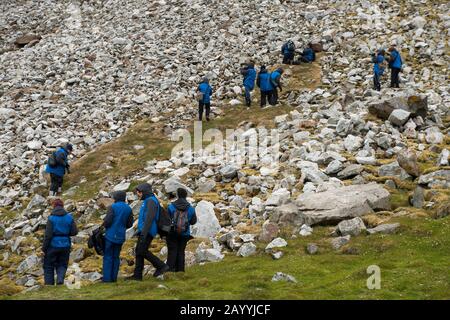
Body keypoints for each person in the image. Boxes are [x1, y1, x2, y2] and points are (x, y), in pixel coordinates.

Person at [127, 183, 169, 280]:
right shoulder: (148, 200)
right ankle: (137, 275)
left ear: (145, 192)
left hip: (148, 231)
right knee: (139, 251)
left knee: (142, 251)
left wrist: (144, 233)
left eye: (140, 192)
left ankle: (161, 266)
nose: (138, 194)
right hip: (145, 230)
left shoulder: (151, 201)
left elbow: (150, 218)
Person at [42, 199, 78, 285]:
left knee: (48, 266)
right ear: (62, 206)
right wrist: (65, 233)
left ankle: (49, 284)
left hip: (53, 245)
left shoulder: (51, 218)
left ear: (54, 206)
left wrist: (44, 248)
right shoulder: (69, 217)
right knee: (62, 264)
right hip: (65, 244)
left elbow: (48, 235)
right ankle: (60, 280)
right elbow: (74, 232)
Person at [102, 191, 133, 283]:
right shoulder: (128, 208)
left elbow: (107, 221)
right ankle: (113, 278)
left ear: (116, 198)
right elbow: (129, 224)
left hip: (110, 235)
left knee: (108, 256)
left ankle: (107, 279)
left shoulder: (113, 207)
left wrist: (104, 226)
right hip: (120, 236)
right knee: (116, 257)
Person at [166, 188, 197, 272]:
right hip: (185, 234)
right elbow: (193, 221)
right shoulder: (190, 208)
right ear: (186, 195)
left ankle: (170, 270)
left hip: (172, 233)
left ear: (177, 195)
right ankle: (180, 271)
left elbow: (167, 220)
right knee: (181, 252)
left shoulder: (171, 206)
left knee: (172, 251)